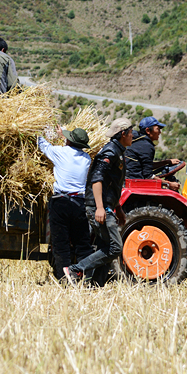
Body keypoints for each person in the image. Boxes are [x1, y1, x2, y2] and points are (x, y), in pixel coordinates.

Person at [64, 117, 133, 286]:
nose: (133, 136)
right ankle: (76, 269)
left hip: (108, 206)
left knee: (106, 247)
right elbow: (97, 179)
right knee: (115, 247)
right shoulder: (110, 152)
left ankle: (96, 285)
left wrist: (119, 209)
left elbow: (112, 185)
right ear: (123, 134)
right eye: (131, 133)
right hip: (99, 207)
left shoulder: (118, 151)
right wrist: (100, 208)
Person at [38, 126, 94, 281]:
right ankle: (86, 277)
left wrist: (36, 131)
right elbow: (71, 151)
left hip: (61, 202)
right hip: (79, 203)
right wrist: (64, 136)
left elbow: (43, 145)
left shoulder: (59, 152)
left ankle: (64, 277)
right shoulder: (87, 159)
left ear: (69, 140)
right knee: (82, 243)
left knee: (60, 243)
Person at [124, 116, 181, 191]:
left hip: (126, 180)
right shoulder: (147, 146)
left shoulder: (136, 141)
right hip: (135, 183)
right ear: (148, 130)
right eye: (157, 129)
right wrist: (169, 184)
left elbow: (146, 165)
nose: (160, 132)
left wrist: (167, 162)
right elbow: (148, 176)